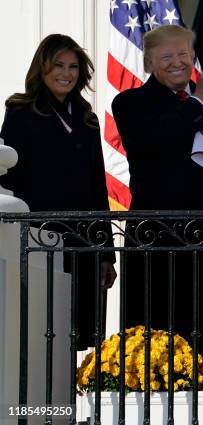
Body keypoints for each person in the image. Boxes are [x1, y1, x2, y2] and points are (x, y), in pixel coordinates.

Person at [111, 25, 203, 350]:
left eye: (183, 53)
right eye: (166, 56)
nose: (177, 62)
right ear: (149, 62)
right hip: (157, 237)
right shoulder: (129, 102)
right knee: (155, 340)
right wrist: (198, 102)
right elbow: (154, 141)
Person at [0, 34, 116, 350]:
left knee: (79, 333)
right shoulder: (20, 111)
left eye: (73, 67)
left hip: (84, 238)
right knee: (40, 329)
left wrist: (106, 253)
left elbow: (97, 186)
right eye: (58, 65)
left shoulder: (87, 119)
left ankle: (74, 398)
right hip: (40, 237)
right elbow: (10, 179)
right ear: (43, 68)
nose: (66, 73)